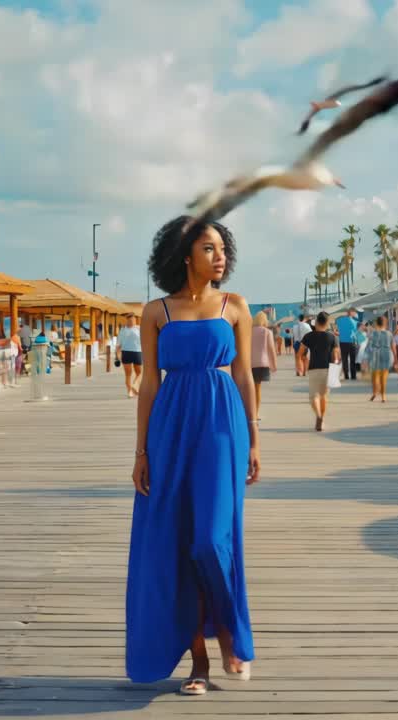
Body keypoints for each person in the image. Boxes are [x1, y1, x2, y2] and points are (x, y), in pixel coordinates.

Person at [127, 216, 258, 696]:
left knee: (211, 540)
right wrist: (141, 451)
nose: (219, 256)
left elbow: (244, 376)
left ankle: (228, 630)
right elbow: (149, 385)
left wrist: (255, 437)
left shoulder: (235, 307)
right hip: (170, 429)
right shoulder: (156, 311)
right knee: (176, 545)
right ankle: (198, 662)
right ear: (185, 256)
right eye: (209, 248)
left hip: (223, 427)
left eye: (222, 248)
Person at [297, 311, 340, 431]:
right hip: (328, 369)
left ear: (315, 323)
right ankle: (322, 418)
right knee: (324, 396)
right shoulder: (332, 337)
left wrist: (300, 364)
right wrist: (336, 371)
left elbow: (300, 353)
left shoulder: (309, 336)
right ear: (327, 323)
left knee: (313, 396)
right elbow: (336, 356)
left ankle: (318, 416)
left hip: (314, 368)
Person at [249, 311, 277, 422]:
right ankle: (255, 414)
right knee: (257, 389)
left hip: (249, 364)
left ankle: (250, 412)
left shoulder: (248, 331)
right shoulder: (267, 332)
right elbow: (271, 349)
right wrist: (273, 364)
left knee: (250, 389)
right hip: (261, 363)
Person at [366, 316, 394, 402]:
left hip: (375, 355)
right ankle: (383, 396)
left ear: (377, 323)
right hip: (386, 355)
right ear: (385, 323)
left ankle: (375, 392)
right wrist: (395, 358)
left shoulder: (373, 333)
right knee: (384, 377)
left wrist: (366, 358)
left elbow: (368, 346)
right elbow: (393, 346)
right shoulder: (389, 333)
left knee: (375, 376)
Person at [116, 314, 143, 398]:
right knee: (128, 374)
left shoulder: (139, 329)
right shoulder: (123, 330)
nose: (132, 322)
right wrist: (117, 356)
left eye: (133, 320)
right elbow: (118, 345)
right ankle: (129, 391)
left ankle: (134, 387)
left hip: (138, 352)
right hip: (126, 353)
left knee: (140, 373)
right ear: (127, 320)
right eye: (130, 320)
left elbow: (145, 341)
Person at [336, 308, 359, 380]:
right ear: (352, 312)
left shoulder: (339, 320)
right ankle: (353, 376)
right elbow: (356, 333)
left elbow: (337, 330)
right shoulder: (355, 322)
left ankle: (346, 375)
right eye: (355, 313)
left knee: (344, 359)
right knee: (353, 360)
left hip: (342, 342)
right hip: (352, 342)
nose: (355, 314)